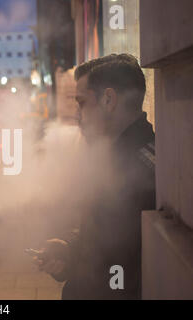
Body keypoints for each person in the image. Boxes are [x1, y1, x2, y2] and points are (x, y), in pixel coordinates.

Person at [34, 54, 155, 300]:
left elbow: (125, 271)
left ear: (108, 99)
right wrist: (67, 251)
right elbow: (103, 240)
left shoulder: (146, 169)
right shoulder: (113, 156)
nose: (78, 114)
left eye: (82, 103)